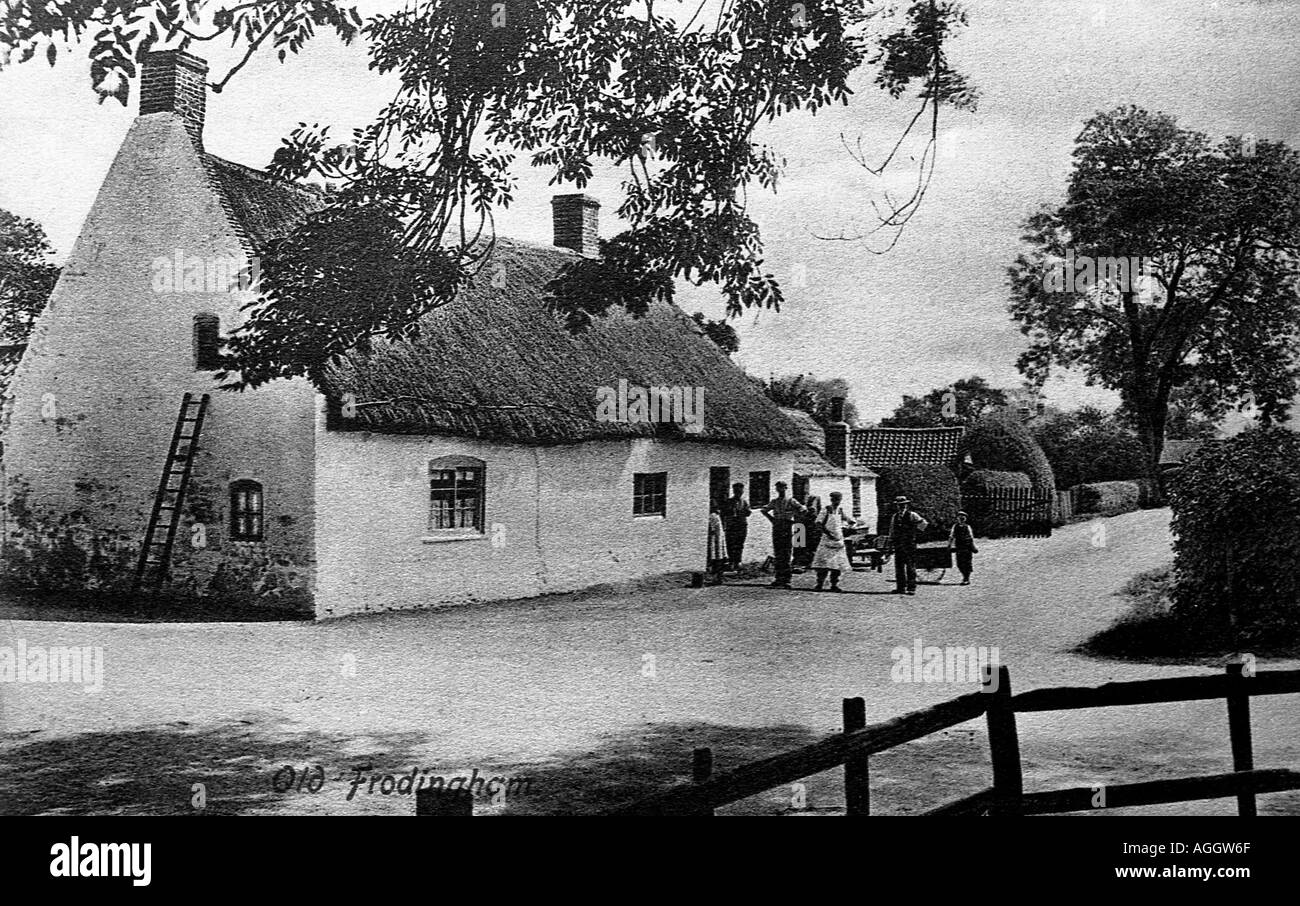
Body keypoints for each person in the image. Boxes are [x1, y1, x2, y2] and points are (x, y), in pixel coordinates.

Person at [760, 481, 805, 588]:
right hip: (777, 526)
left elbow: (802, 510)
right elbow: (764, 510)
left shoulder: (791, 501)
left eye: (782, 487)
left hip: (787, 526)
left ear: (786, 488)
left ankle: (786, 579)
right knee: (778, 552)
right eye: (778, 488)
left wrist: (795, 518)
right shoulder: (775, 501)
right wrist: (772, 519)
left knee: (786, 552)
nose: (780, 490)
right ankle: (778, 578)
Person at [811, 491, 856, 592]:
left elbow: (850, 520)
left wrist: (849, 526)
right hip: (827, 540)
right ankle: (819, 584)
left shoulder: (840, 511)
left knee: (837, 564)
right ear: (831, 499)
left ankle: (834, 585)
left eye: (838, 499)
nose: (836, 501)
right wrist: (828, 533)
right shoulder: (826, 510)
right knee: (823, 564)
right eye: (834, 499)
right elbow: (818, 523)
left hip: (838, 540)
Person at [888, 495, 928, 596]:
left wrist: (915, 532)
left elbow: (924, 524)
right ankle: (900, 587)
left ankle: (911, 588)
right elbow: (892, 531)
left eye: (903, 505)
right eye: (899, 505)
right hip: (899, 545)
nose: (901, 507)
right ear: (897, 506)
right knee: (899, 567)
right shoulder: (895, 517)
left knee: (910, 567)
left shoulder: (912, 515)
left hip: (909, 544)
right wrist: (891, 542)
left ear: (906, 505)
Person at [720, 482, 751, 571]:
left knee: (739, 544)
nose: (738, 493)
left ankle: (738, 561)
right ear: (734, 491)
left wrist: (741, 513)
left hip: (741, 525)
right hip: (731, 526)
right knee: (730, 544)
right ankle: (731, 562)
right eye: (736, 491)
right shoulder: (729, 502)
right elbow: (724, 512)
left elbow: (748, 512)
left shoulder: (744, 502)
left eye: (740, 491)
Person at [948, 511, 978, 585]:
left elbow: (971, 537)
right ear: (957, 518)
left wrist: (973, 546)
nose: (961, 519)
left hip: (967, 546)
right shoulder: (955, 526)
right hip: (959, 546)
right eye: (959, 517)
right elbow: (951, 536)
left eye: (963, 517)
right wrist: (949, 545)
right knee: (960, 563)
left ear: (965, 519)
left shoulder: (968, 527)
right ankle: (964, 576)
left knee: (967, 563)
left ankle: (966, 578)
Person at [795, 494, 822, 570]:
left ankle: (808, 562)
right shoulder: (805, 510)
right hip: (805, 528)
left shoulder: (813, 510)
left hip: (810, 528)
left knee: (811, 545)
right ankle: (802, 562)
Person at [706, 504, 729, 585]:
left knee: (717, 558)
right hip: (716, 540)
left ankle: (717, 577)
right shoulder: (714, 516)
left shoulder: (715, 516)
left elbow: (713, 529)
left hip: (717, 540)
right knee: (717, 558)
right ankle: (717, 577)